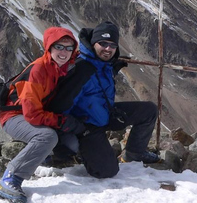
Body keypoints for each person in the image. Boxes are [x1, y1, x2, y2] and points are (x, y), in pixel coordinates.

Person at [56, 21, 161, 179]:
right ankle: (77, 153)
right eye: (103, 43)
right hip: (86, 126)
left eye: (112, 45)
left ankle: (134, 154)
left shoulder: (103, 64)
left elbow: (96, 87)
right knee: (107, 171)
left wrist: (112, 69)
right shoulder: (80, 70)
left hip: (105, 113)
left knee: (149, 110)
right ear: (93, 43)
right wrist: (75, 129)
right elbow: (60, 107)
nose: (108, 49)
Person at [0, 27, 85, 203]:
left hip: (32, 114)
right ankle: (10, 178)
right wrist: (60, 121)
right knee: (46, 137)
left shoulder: (60, 67)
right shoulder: (39, 70)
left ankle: (43, 158)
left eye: (68, 48)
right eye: (59, 46)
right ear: (49, 47)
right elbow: (32, 114)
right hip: (13, 117)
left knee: (71, 144)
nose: (64, 52)